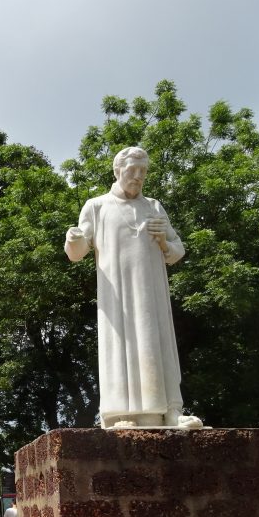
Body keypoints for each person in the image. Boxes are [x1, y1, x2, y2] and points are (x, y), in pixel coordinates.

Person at [64, 146, 202, 429]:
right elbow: (77, 252)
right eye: (132, 171)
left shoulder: (153, 206)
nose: (138, 177)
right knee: (120, 345)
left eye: (143, 172)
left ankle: (171, 411)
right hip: (118, 297)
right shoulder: (97, 206)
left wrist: (164, 240)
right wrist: (74, 238)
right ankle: (118, 414)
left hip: (152, 292)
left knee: (158, 343)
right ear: (118, 171)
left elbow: (177, 250)